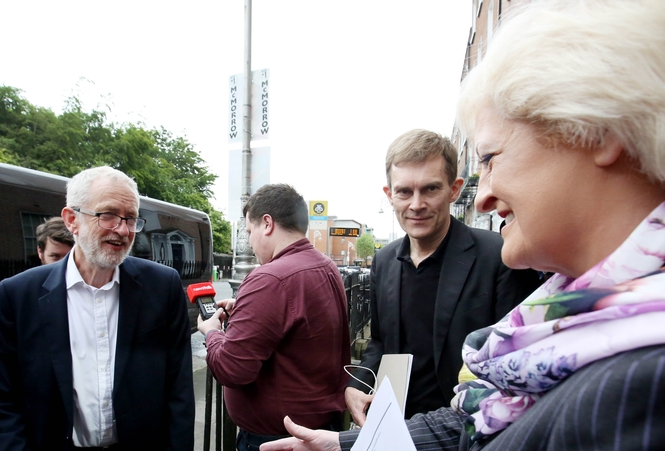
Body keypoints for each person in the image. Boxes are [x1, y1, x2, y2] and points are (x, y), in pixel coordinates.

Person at [261, 1, 665, 450]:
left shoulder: (638, 374)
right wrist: (352, 436)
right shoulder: (569, 313)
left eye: (491, 158)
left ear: (597, 132)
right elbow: (474, 413)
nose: (486, 192)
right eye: (403, 192)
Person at [0, 166, 194, 450]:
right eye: (108, 215)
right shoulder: (17, 295)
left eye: (130, 219)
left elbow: (178, 391)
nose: (122, 229)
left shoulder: (163, 287)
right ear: (72, 220)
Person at [346, 129, 541, 422]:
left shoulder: (498, 255)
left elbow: (516, 362)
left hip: (466, 427)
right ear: (389, 195)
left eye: (430, 189)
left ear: (455, 189)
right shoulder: (384, 261)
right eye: (404, 192)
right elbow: (380, 343)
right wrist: (358, 384)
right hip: (397, 424)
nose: (416, 205)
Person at [198, 184, 350, 451]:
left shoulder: (269, 278)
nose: (250, 241)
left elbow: (231, 369)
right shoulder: (326, 265)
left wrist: (212, 332)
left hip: (276, 440)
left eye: (249, 231)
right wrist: (248, 311)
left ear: (267, 223)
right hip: (321, 431)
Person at [0, 216, 76, 446]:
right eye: (55, 257)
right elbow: (0, 381)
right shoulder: (17, 295)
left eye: (70, 257)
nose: (64, 266)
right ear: (39, 252)